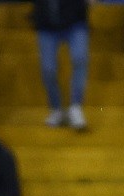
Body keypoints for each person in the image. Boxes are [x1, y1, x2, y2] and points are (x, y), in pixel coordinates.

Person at [32, 0, 91, 129]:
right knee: (48, 70)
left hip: (76, 22)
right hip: (46, 24)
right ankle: (56, 109)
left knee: (80, 59)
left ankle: (76, 107)